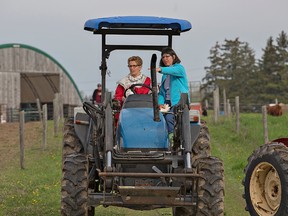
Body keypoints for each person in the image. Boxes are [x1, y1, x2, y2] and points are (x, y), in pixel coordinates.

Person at [156, 47, 189, 147]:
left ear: (173, 57)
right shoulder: (165, 76)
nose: (165, 59)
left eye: (167, 56)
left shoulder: (179, 68)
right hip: (167, 103)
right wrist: (160, 103)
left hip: (178, 101)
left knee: (170, 117)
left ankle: (172, 140)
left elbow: (173, 71)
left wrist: (160, 69)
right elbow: (162, 92)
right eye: (163, 57)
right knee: (156, 117)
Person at [113, 56, 151, 124]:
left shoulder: (147, 81)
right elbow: (117, 97)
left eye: (134, 66)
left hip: (144, 111)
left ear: (140, 67)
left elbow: (150, 95)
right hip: (127, 111)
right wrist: (122, 98)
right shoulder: (123, 82)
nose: (132, 68)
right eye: (130, 66)